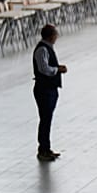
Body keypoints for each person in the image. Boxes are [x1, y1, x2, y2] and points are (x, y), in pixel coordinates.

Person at [33, 24, 67, 161]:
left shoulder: (47, 48)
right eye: (55, 34)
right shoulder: (42, 49)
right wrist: (57, 70)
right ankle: (43, 149)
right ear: (51, 35)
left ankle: (46, 147)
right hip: (44, 89)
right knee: (45, 120)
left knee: (47, 119)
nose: (57, 37)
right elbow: (44, 69)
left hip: (50, 88)